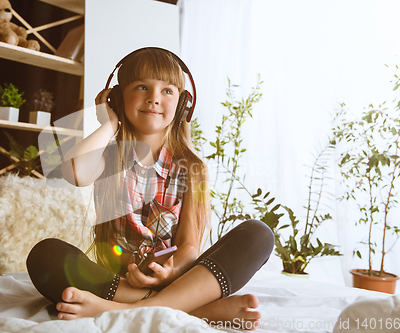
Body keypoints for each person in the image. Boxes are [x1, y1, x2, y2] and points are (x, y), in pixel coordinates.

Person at [26, 47, 274, 330]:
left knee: (258, 234)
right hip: (117, 280)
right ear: (117, 99)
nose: (154, 98)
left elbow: (190, 246)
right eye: (142, 87)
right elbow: (75, 173)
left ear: (182, 106)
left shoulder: (194, 168)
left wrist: (170, 271)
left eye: (167, 91)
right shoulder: (107, 157)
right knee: (44, 256)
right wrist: (109, 123)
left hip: (175, 277)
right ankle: (197, 309)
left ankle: (124, 308)